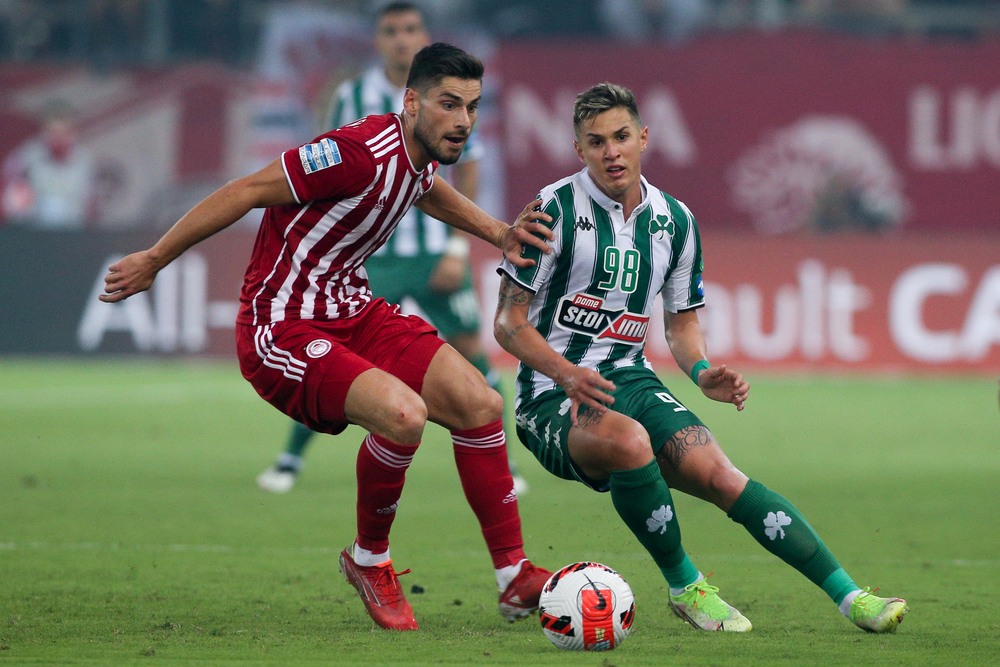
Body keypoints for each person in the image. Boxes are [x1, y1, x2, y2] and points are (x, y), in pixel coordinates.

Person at [100, 42, 555, 632]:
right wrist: (156, 258)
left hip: (354, 311)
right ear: (411, 102)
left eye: (471, 106)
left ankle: (513, 576)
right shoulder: (354, 152)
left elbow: (423, 187)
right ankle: (369, 560)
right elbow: (246, 190)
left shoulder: (418, 155)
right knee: (404, 415)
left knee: (480, 402)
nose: (463, 120)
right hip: (281, 323)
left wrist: (497, 231)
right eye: (448, 104)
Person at [493, 82, 909, 634]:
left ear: (644, 137)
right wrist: (567, 374)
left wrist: (701, 370)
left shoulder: (675, 220)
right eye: (596, 142)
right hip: (550, 396)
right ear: (578, 149)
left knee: (721, 476)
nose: (611, 152)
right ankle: (687, 589)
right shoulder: (551, 211)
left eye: (621, 136)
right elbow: (508, 323)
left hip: (631, 379)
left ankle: (852, 598)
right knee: (630, 442)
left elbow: (681, 323)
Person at [257, 1, 527, 496]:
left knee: (473, 356)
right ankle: (290, 458)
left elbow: (466, 167)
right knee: (332, 352)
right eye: (391, 31)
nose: (401, 39)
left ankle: (504, 462)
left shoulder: (453, 97)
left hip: (435, 252)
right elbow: (329, 167)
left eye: (410, 29)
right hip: (373, 259)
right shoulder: (352, 96)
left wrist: (458, 249)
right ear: (377, 41)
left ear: (423, 37)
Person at [2, 100, 96, 228]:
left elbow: (91, 205)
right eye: (53, 131)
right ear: (43, 130)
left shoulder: (85, 160)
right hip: (33, 230)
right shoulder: (26, 156)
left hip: (73, 231)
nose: (59, 137)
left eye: (65, 130)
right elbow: (9, 196)